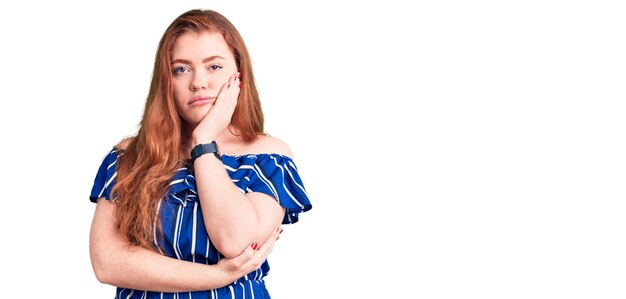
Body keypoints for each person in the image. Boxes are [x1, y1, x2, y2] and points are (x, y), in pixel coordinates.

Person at [88, 9, 312, 299]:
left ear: (239, 73)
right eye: (181, 69)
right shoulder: (129, 155)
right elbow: (108, 264)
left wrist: (204, 142)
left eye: (214, 67)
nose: (198, 82)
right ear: (166, 81)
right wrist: (218, 275)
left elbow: (234, 241)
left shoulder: (268, 156)